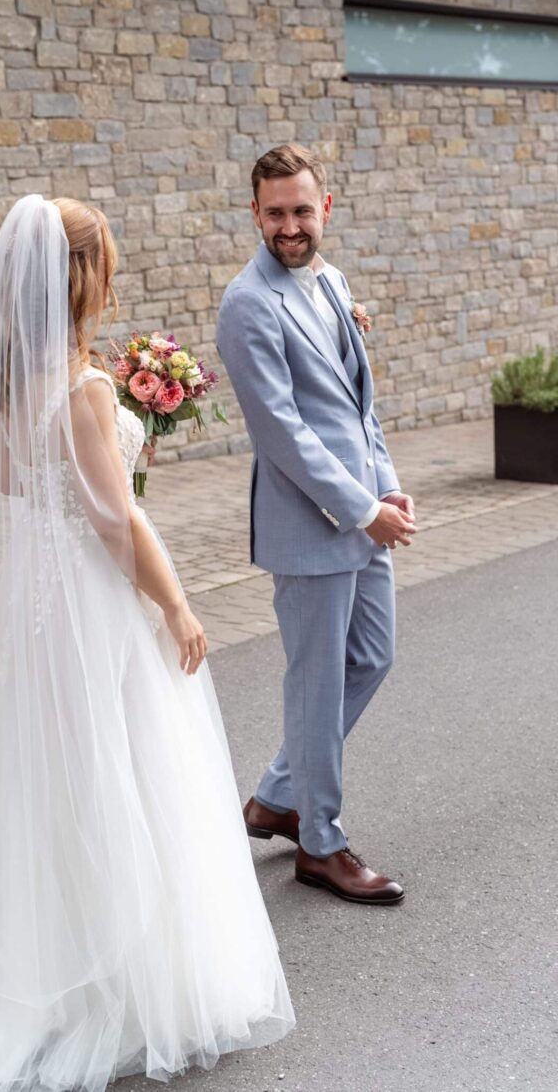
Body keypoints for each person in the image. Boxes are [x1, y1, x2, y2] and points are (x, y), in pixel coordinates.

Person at [0, 193, 294, 1092]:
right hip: (91, 602)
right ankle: (120, 983)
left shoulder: (7, 382)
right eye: (103, 262)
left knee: (56, 774)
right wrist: (178, 605)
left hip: (35, 614)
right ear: (79, 278)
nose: (109, 277)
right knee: (125, 770)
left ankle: (45, 960)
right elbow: (118, 526)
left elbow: (19, 490)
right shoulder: (82, 390)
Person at [216, 143, 417, 906]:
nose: (290, 227)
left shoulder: (331, 281)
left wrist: (388, 490)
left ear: (324, 207)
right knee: (317, 683)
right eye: (275, 213)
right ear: (256, 213)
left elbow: (357, 410)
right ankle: (319, 844)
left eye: (302, 210)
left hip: (367, 517)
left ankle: (274, 796)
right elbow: (283, 433)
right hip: (311, 527)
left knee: (373, 655)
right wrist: (362, 509)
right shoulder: (247, 304)